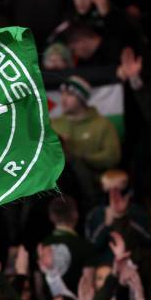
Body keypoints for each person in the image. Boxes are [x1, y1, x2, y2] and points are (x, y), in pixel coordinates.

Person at [52, 76, 121, 207]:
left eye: (70, 95)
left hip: (91, 182)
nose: (63, 99)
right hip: (58, 184)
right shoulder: (54, 124)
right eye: (62, 94)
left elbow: (113, 156)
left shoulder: (102, 125)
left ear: (81, 98)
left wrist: (81, 157)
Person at [41, 195, 97, 294]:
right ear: (75, 214)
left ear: (51, 217)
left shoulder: (42, 246)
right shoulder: (85, 247)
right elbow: (88, 286)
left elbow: (39, 286)